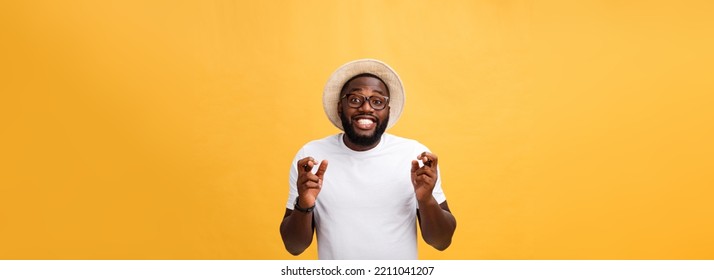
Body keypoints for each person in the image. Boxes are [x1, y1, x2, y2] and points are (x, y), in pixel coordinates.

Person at [279, 59, 456, 260]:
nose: (366, 108)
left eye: (377, 101)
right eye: (355, 99)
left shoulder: (414, 156)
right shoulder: (311, 158)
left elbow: (441, 241)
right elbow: (294, 246)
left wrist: (426, 200)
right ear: (340, 107)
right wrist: (304, 203)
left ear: (388, 110)